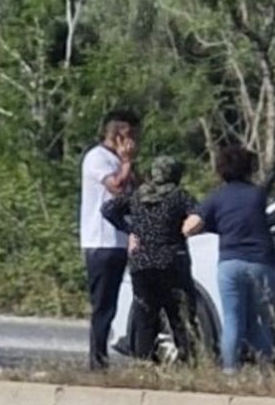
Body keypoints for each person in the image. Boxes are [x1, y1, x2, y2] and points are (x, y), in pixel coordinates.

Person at [183, 146, 275, 374]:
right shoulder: (258, 194)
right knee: (263, 320)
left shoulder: (216, 197)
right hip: (261, 261)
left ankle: (230, 370)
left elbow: (189, 227)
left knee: (232, 318)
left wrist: (215, 225)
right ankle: (266, 369)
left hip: (230, 262)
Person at [102, 156, 200, 363]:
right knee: (180, 316)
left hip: (141, 264)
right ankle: (187, 361)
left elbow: (108, 209)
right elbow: (198, 216)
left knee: (145, 316)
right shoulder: (179, 196)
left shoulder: (137, 195)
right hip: (171, 262)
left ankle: (144, 361)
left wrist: (130, 230)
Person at [79, 109, 140, 370]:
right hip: (101, 241)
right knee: (103, 304)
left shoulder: (120, 160)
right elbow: (115, 187)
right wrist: (126, 162)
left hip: (121, 240)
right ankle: (97, 360)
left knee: (115, 303)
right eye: (130, 136)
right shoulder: (97, 158)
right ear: (118, 134)